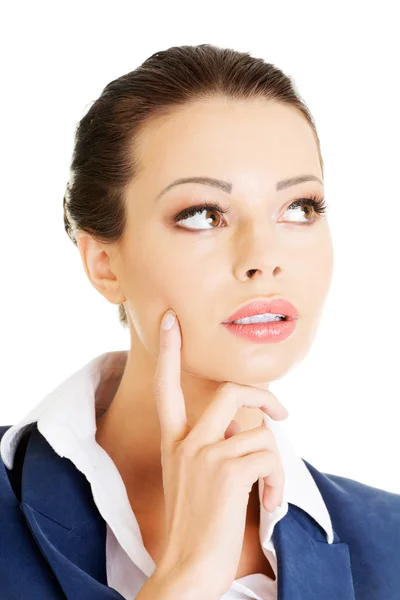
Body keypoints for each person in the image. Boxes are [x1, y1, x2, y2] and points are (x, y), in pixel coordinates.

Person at [1, 43, 399, 600]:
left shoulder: (392, 542)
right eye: (203, 215)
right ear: (104, 263)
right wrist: (186, 576)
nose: (264, 256)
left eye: (299, 208)